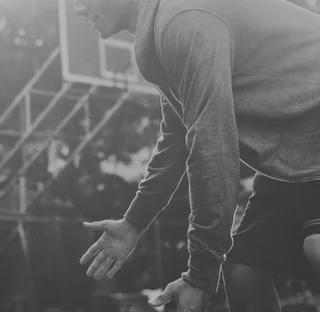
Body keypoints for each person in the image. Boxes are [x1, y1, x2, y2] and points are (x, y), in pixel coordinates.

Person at [74, 0, 320, 311]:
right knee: (244, 271)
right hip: (300, 144)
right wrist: (134, 222)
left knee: (317, 245)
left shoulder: (185, 21)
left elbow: (213, 149)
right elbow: (177, 138)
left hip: (311, 127)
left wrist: (201, 274)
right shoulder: (164, 33)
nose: (77, 10)